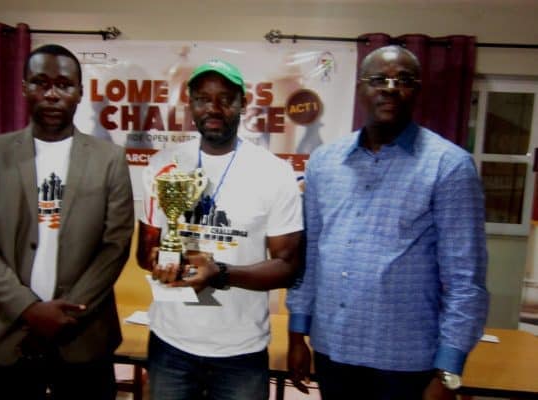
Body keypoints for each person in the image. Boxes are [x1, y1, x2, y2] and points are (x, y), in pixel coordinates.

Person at [286, 45, 488, 400]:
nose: (390, 88)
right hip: (334, 349)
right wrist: (297, 331)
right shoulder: (324, 162)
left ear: (418, 90)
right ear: (360, 88)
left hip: (405, 361)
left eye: (403, 80)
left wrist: (448, 370)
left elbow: (465, 280)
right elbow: (311, 256)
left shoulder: (449, 166)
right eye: (378, 79)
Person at [0, 44, 134, 399]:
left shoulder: (109, 158)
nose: (52, 94)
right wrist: (28, 309)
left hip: (83, 337)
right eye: (41, 83)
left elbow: (115, 245)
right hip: (5, 333)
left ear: (80, 92)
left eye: (64, 84)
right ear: (24, 87)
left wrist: (65, 314)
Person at [137, 59, 304, 400]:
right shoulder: (162, 164)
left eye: (225, 98)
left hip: (240, 352)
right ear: (191, 104)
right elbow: (144, 252)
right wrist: (163, 261)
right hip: (171, 345)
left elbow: (287, 266)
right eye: (202, 98)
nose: (213, 108)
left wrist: (219, 273)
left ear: (243, 103)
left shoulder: (274, 173)